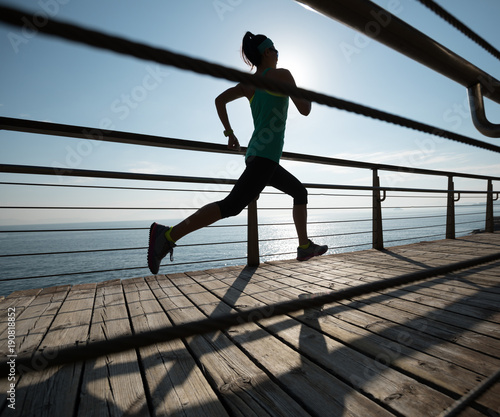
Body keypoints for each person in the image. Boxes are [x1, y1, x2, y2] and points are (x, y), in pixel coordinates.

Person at [148, 32, 327, 275]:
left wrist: (229, 133)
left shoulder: (248, 84)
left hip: (261, 157)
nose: (278, 54)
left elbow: (219, 100)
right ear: (266, 52)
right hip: (264, 158)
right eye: (275, 50)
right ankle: (167, 235)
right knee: (231, 206)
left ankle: (304, 246)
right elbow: (304, 109)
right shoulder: (282, 75)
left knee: (299, 191)